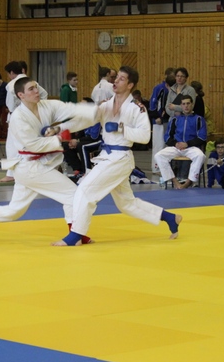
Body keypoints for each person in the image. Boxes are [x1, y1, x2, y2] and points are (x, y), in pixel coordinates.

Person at [53, 66, 183, 246]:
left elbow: (145, 136)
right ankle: (169, 217)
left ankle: (76, 235)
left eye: (121, 79)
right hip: (108, 155)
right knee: (126, 204)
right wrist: (59, 128)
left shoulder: (137, 108)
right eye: (116, 78)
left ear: (130, 85)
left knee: (84, 190)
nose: (116, 81)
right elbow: (85, 120)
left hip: (120, 157)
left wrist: (122, 128)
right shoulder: (106, 104)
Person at [0, 77, 97, 243]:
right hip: (31, 167)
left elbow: (71, 109)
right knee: (73, 195)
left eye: (36, 87)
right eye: (31, 89)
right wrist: (60, 138)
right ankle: (76, 234)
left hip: (31, 167)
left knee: (15, 210)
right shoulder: (18, 118)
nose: (36, 91)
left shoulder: (46, 106)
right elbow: (34, 145)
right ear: (21, 95)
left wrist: (99, 110)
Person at [155, 95, 207, 189]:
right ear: (181, 106)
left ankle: (188, 182)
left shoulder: (199, 119)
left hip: (191, 147)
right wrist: (175, 143)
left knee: (200, 156)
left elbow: (202, 137)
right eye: (183, 104)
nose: (186, 106)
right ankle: (175, 182)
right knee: (159, 155)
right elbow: (167, 137)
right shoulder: (175, 119)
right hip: (176, 147)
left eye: (188, 103)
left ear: (192, 105)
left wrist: (187, 144)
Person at [149, 69, 174, 173]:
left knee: (168, 145)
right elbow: (152, 103)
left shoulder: (174, 89)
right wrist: (156, 116)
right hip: (158, 121)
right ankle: (156, 168)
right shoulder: (159, 88)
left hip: (169, 120)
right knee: (159, 145)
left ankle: (167, 168)